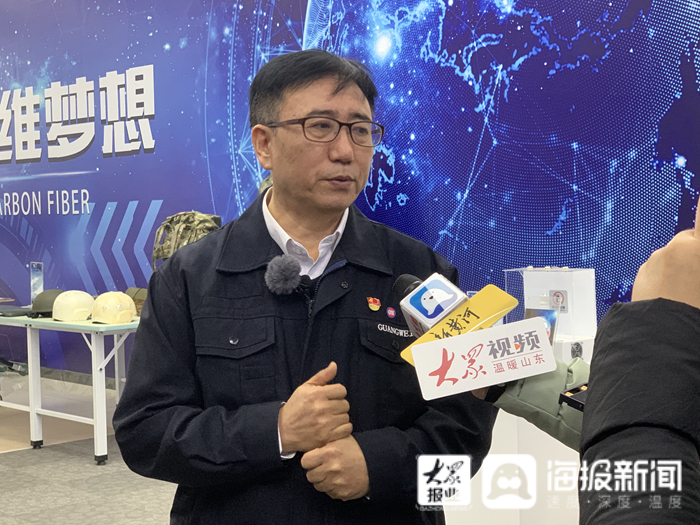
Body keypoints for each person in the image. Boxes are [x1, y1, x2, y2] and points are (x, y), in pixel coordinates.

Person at [113, 49, 497, 525]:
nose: (345, 151)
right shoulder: (189, 278)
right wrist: (274, 431)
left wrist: (378, 467)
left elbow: (465, 448)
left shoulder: (422, 274)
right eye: (321, 126)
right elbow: (144, 436)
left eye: (361, 130)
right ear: (264, 145)